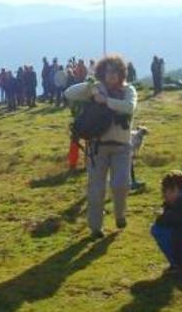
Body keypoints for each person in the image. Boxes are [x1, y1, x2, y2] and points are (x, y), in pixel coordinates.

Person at [64, 55, 137, 238]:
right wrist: (91, 85)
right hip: (97, 147)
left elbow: (129, 107)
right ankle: (95, 228)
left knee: (121, 184)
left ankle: (120, 215)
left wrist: (106, 101)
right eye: (107, 71)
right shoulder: (96, 88)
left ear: (121, 73)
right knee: (96, 189)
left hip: (122, 147)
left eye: (115, 71)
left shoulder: (129, 90)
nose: (111, 75)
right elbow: (69, 93)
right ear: (102, 73)